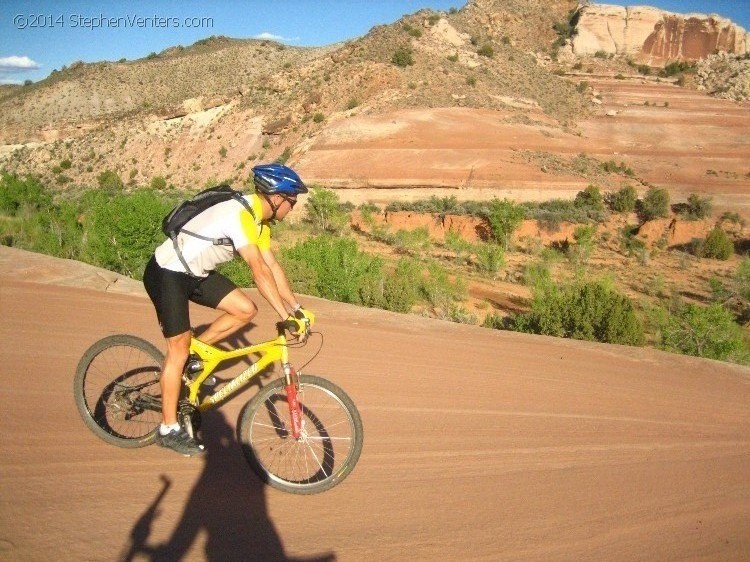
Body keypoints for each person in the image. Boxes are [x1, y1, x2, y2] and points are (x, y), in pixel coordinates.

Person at [143, 163, 313, 456]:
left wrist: (296, 308)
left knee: (245, 309)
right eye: (292, 201)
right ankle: (167, 429)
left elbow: (272, 266)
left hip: (195, 273)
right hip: (167, 273)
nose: (293, 208)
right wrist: (284, 317)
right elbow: (257, 270)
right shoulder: (239, 216)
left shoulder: (259, 222)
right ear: (276, 197)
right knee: (178, 349)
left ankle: (195, 356)